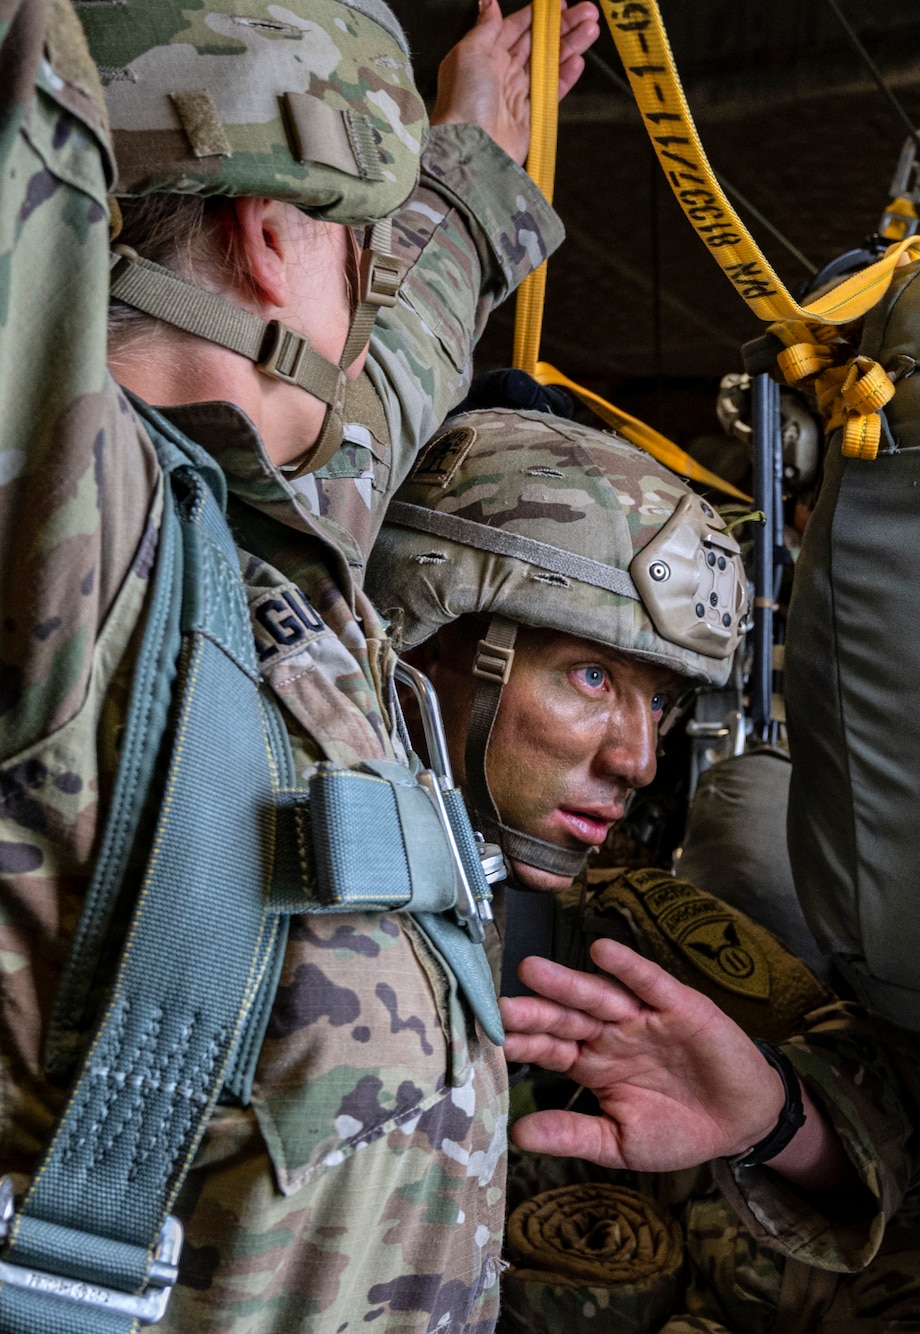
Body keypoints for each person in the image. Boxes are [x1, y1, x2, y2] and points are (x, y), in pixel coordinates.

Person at [0, 0, 596, 1326]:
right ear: (275, 236)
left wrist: (462, 159)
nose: (371, 310)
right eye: (360, 254)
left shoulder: (265, 540)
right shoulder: (69, 537)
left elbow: (398, 372)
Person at [365, 407, 920, 1334]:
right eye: (589, 677)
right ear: (427, 636)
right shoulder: (216, 878)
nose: (638, 760)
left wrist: (781, 1119)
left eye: (655, 701)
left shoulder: (609, 930)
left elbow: (910, 1078)